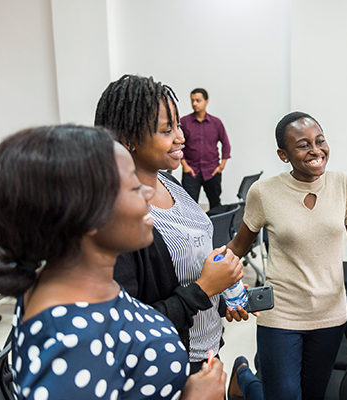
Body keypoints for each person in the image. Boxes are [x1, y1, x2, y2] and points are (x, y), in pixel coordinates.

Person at [0, 125, 226, 400]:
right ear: (87, 213)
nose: (149, 194)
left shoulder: (71, 283)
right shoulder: (74, 340)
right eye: (133, 186)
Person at [226, 112, 347, 400]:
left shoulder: (344, 185)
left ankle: (242, 379)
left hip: (330, 313)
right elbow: (238, 247)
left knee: (312, 395)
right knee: (284, 396)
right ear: (283, 154)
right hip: (281, 314)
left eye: (320, 141)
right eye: (303, 145)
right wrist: (219, 283)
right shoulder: (264, 192)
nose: (316, 150)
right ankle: (244, 378)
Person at [95, 75, 248, 374]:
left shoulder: (169, 181)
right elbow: (126, 330)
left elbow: (191, 259)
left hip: (208, 350)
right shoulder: (117, 220)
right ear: (130, 140)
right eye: (167, 130)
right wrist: (204, 289)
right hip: (171, 366)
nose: (181, 137)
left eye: (178, 125)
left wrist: (222, 287)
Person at [180, 88, 231, 210]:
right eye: (192, 101)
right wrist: (185, 165)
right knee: (188, 206)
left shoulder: (216, 123)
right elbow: (177, 145)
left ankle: (216, 228)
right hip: (191, 171)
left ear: (206, 101)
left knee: (215, 205)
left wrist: (221, 166)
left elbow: (226, 144)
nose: (194, 104)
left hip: (212, 170)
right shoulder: (184, 122)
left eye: (198, 100)